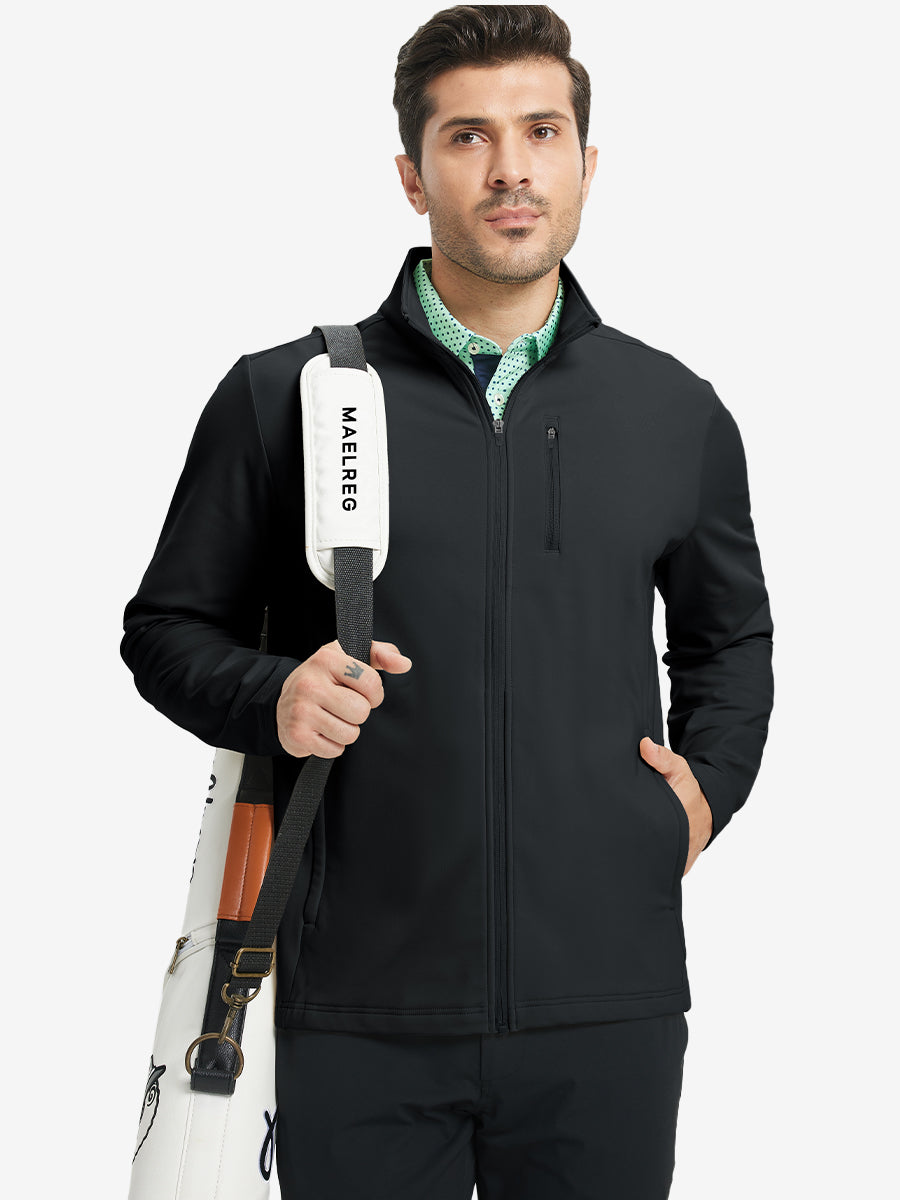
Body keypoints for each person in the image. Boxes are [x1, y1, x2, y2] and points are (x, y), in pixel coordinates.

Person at [120, 6, 775, 1197]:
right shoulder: (287, 395)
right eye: (468, 136)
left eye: (542, 131)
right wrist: (274, 694)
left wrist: (700, 799)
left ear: (587, 164)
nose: (511, 167)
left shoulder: (675, 411)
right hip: (352, 1006)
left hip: (606, 1004)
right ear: (413, 178)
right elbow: (163, 631)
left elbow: (728, 640)